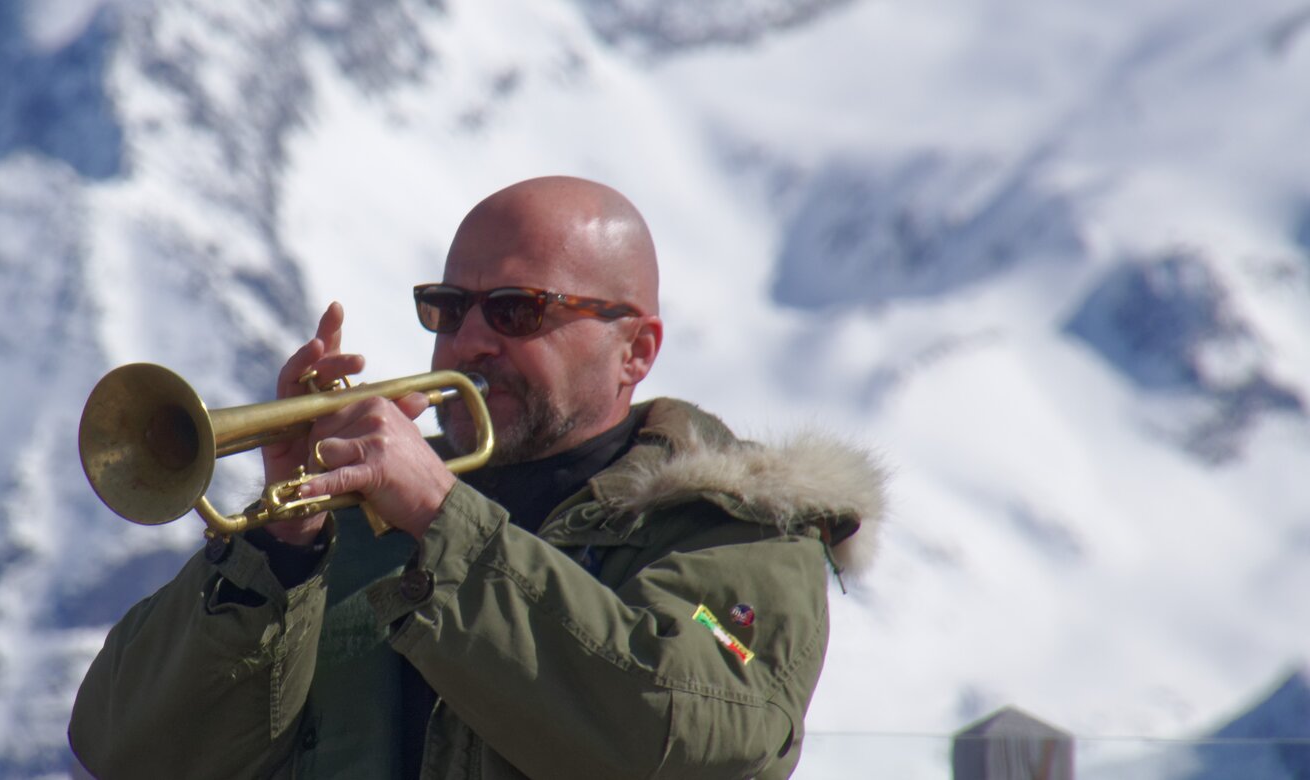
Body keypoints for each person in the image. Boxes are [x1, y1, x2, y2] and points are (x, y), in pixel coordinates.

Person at [69, 176, 886, 779]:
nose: (467, 341)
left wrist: (441, 515)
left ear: (635, 350)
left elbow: (678, 735)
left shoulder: (736, 531)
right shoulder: (353, 519)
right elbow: (126, 747)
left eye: (518, 311)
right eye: (449, 307)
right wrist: (280, 546)